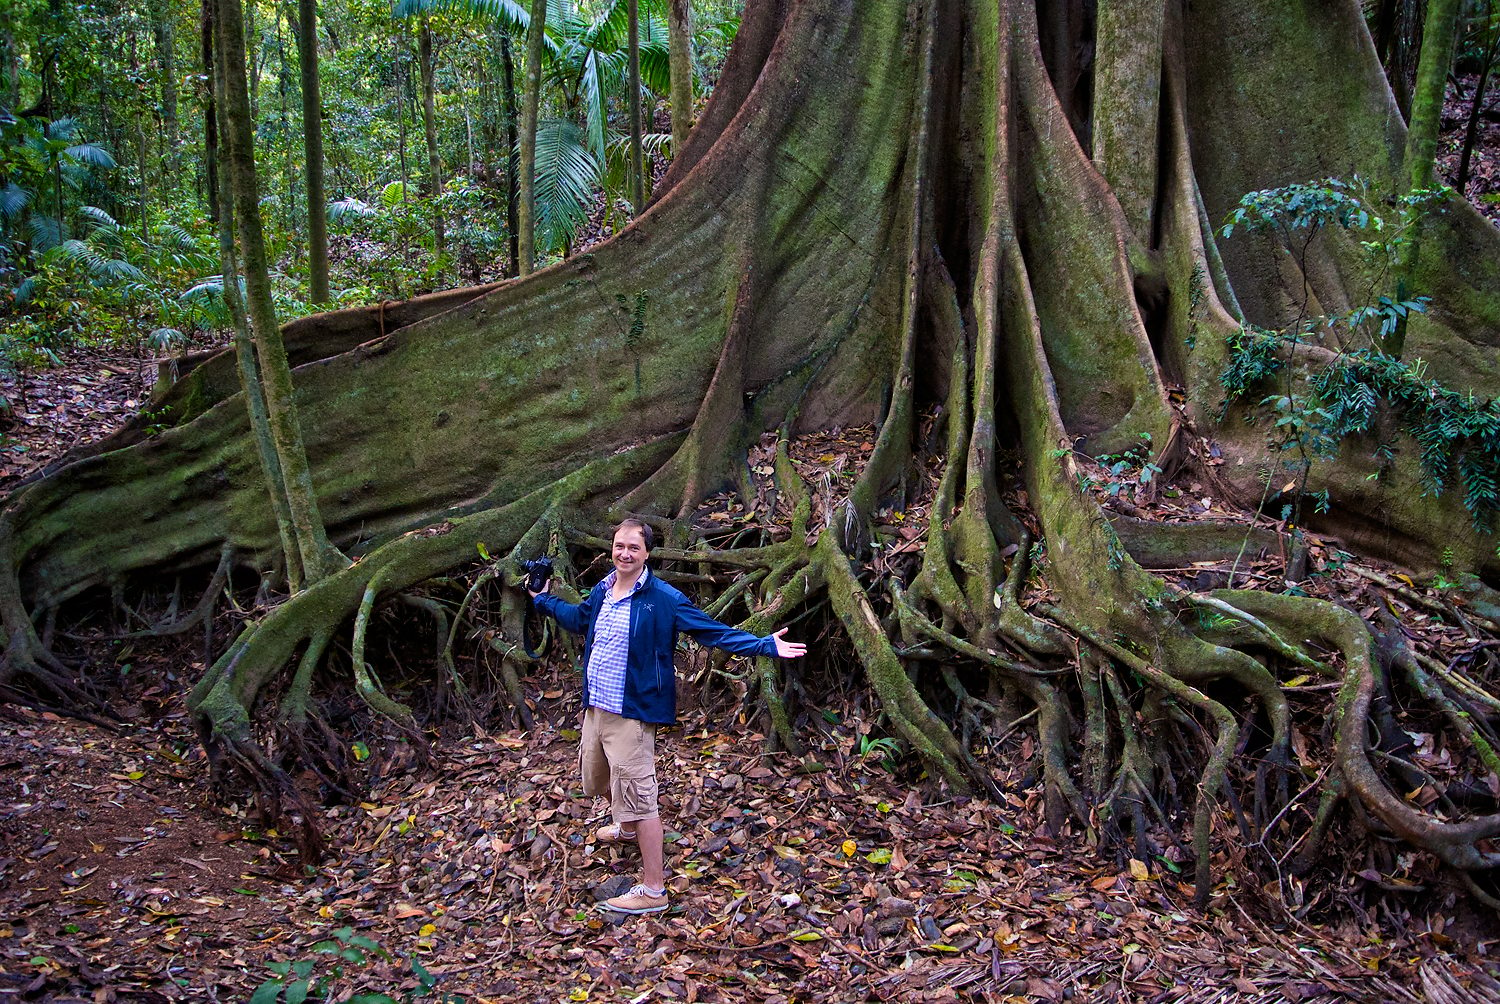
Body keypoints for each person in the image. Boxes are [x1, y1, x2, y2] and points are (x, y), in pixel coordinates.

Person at [529, 517, 807, 914]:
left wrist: (763, 645)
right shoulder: (603, 589)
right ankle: (625, 829)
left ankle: (654, 889)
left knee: (640, 799)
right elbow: (578, 620)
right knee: (597, 778)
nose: (625, 553)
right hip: (597, 707)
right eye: (619, 545)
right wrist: (542, 598)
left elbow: (712, 632)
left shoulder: (664, 599)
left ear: (647, 554)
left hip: (633, 712)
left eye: (633, 548)